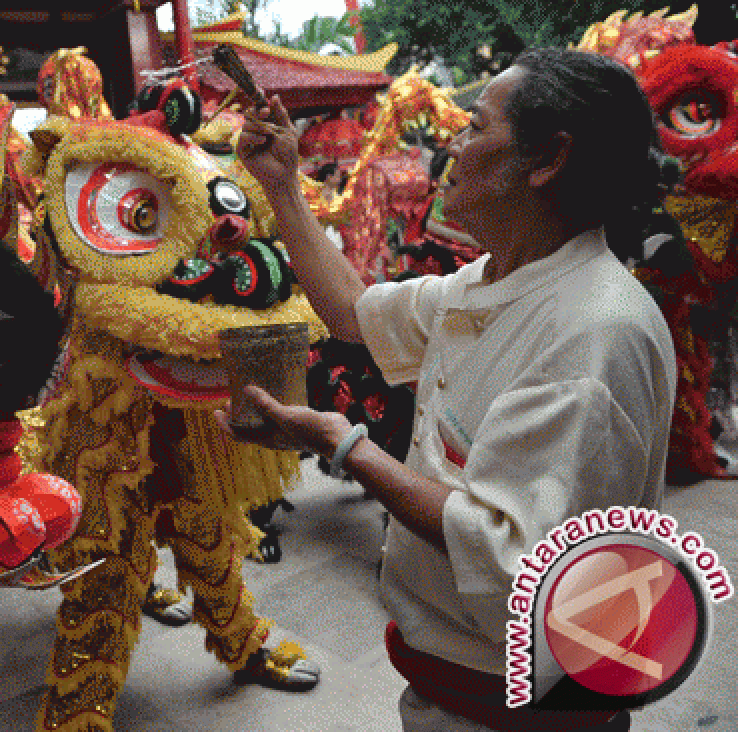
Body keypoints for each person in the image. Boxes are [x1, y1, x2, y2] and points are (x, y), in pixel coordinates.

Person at [222, 47, 678, 731]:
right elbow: (352, 313)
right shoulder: (487, 282)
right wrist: (283, 185)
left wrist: (344, 446)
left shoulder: (591, 334)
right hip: (451, 678)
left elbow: (513, 560)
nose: (451, 145)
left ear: (547, 158)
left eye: (474, 126)